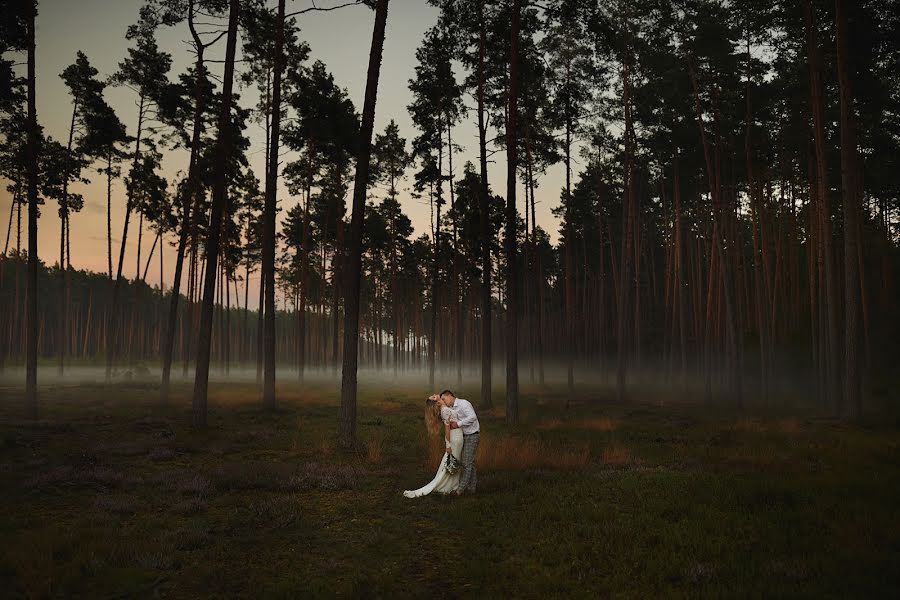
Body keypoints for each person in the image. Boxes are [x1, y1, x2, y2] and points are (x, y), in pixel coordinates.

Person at [402, 394, 462, 498]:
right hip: (455, 438)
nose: (434, 395)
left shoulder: (445, 408)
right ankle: (449, 485)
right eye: (433, 397)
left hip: (458, 436)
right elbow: (447, 431)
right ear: (436, 403)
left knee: (453, 461)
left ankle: (453, 484)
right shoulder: (445, 411)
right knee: (452, 461)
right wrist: (448, 445)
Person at [439, 390, 480, 495]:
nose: (443, 401)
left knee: (466, 463)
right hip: (463, 437)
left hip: (472, 435)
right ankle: (472, 488)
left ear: (450, 396)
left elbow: (472, 417)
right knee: (470, 463)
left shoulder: (463, 403)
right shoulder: (451, 408)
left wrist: (458, 424)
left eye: (444, 399)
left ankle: (459, 490)